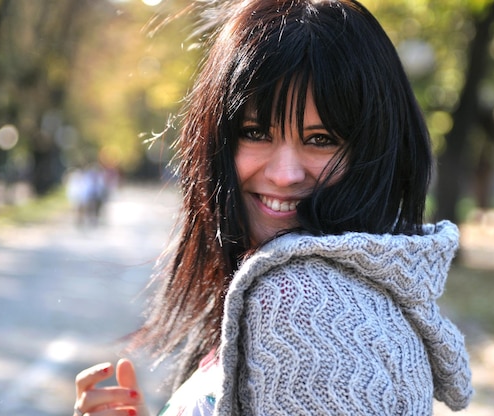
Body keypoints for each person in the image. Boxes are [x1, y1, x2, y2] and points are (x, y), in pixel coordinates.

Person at [73, 0, 473, 414]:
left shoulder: (299, 302)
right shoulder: (348, 288)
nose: (284, 175)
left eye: (321, 139)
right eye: (256, 132)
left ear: (374, 149)